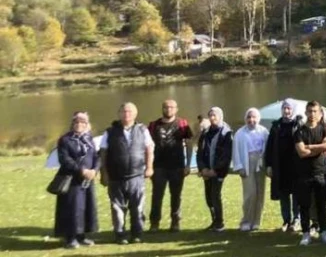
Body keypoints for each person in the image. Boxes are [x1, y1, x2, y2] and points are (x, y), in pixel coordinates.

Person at [98, 102, 154, 245]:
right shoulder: (109, 132)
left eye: (129, 111)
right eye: (123, 111)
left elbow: (149, 149)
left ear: (135, 114)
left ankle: (137, 234)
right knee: (117, 208)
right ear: (119, 114)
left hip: (136, 176)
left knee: (137, 207)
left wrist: (149, 167)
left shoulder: (142, 130)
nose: (126, 114)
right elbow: (103, 153)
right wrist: (104, 173)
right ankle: (120, 234)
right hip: (116, 177)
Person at [53, 111, 99, 249]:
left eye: (82, 123)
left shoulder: (89, 139)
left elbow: (97, 157)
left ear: (86, 125)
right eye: (76, 122)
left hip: (87, 180)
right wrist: (81, 170)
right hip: (72, 180)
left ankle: (82, 236)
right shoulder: (65, 140)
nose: (79, 125)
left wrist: (94, 170)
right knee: (72, 209)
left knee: (85, 208)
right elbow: (65, 159)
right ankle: (70, 238)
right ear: (72, 124)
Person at [148, 99, 193, 232]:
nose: (169, 110)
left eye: (172, 107)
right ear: (162, 109)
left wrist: (188, 164)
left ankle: (175, 222)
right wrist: (148, 165)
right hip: (158, 166)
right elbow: (147, 146)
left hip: (177, 165)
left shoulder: (182, 124)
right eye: (166, 107)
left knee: (176, 195)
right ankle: (154, 223)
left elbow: (189, 145)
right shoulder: (153, 125)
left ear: (176, 109)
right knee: (157, 195)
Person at [295, 100, 326, 245]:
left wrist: (310, 146)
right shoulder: (299, 131)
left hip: (320, 173)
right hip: (304, 175)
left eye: (315, 111)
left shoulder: (323, 129)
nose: (312, 114)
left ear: (319, 113)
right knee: (304, 206)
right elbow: (302, 153)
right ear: (305, 113)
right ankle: (306, 234)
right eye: (310, 111)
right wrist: (320, 148)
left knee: (321, 205)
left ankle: (324, 232)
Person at [265, 98, 301, 232]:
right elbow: (269, 147)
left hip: (295, 166)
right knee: (283, 194)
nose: (286, 111)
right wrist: (268, 165)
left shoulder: (298, 124)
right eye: (284, 108)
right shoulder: (276, 126)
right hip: (280, 166)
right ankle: (286, 220)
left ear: (293, 110)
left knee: (297, 194)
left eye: (289, 108)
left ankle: (296, 220)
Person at [197, 106, 234, 233]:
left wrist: (216, 170)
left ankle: (220, 223)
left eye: (215, 115)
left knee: (215, 195)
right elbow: (200, 152)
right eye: (210, 115)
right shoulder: (205, 132)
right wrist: (203, 169)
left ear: (220, 116)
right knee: (208, 197)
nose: (212, 118)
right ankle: (214, 221)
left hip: (218, 171)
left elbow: (226, 155)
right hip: (207, 171)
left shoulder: (226, 133)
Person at [232, 107, 269, 231]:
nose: (251, 120)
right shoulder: (240, 133)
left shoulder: (264, 132)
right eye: (249, 117)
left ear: (258, 118)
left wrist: (268, 165)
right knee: (249, 193)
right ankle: (246, 221)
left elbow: (268, 149)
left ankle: (256, 220)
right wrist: (239, 167)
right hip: (247, 163)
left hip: (260, 163)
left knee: (260, 193)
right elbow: (236, 151)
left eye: (254, 117)